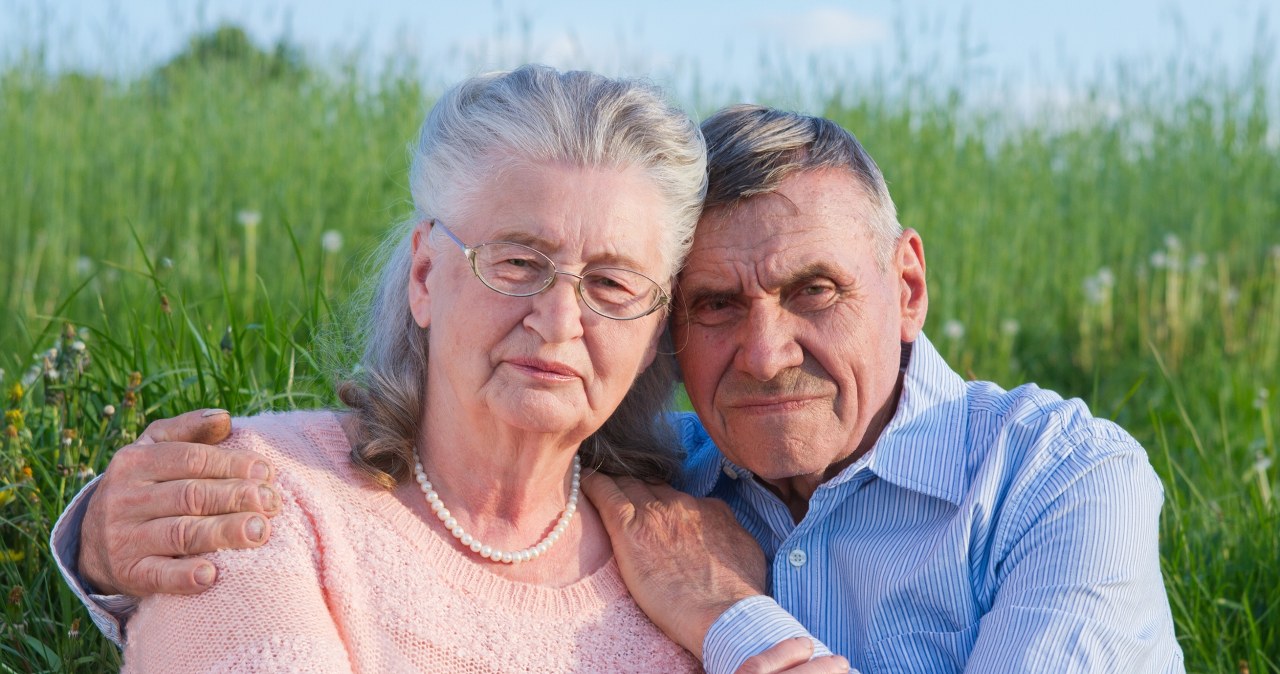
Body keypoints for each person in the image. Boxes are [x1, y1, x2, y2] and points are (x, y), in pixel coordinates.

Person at [54, 104, 1184, 673]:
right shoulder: (654, 481)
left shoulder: (1056, 475)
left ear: (906, 285)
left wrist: (730, 619)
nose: (766, 348)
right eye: (711, 304)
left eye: (814, 289)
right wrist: (102, 534)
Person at [57, 64, 739, 672]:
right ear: (423, 275)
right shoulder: (264, 493)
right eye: (518, 263)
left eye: (614, 284)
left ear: (654, 331)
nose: (559, 321)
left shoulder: (694, 554)